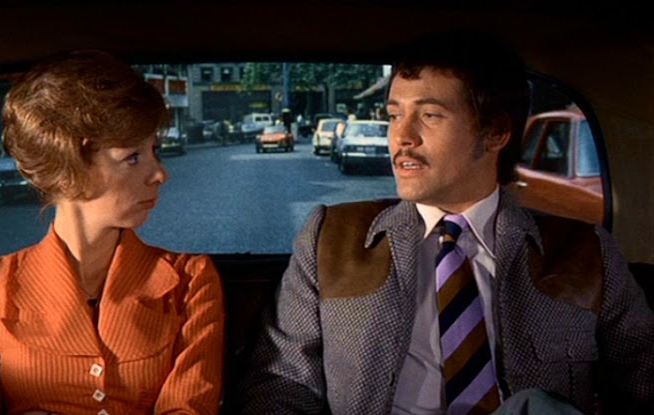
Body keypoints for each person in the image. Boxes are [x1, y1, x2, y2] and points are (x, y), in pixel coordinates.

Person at [235, 31, 654, 414]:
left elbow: (643, 381)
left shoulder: (584, 254)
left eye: (430, 115)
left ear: (496, 133)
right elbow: (281, 383)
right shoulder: (331, 239)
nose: (402, 137)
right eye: (394, 115)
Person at [0, 50, 225, 415]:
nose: (160, 174)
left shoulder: (189, 281)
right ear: (70, 166)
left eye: (153, 151)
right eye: (133, 157)